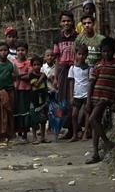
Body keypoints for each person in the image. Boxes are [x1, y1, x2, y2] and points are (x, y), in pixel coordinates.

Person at [85, 37, 115, 164]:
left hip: (107, 98)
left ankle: (106, 142)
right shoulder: (98, 65)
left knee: (92, 120)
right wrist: (88, 101)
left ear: (113, 51)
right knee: (95, 124)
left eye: (109, 51)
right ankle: (96, 153)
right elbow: (91, 84)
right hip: (96, 97)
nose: (106, 54)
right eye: (104, 51)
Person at [52, 10, 77, 139]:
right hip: (62, 70)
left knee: (74, 98)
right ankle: (69, 129)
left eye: (68, 20)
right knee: (63, 100)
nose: (66, 23)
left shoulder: (77, 37)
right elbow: (57, 59)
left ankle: (76, 129)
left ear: (72, 22)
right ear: (60, 23)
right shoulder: (58, 38)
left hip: (75, 70)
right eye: (63, 21)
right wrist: (56, 77)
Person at [0, 43, 17, 145]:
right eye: (1, 50)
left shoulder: (12, 64)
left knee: (8, 112)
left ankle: (8, 133)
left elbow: (16, 76)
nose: (3, 52)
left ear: (8, 52)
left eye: (5, 50)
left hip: (9, 92)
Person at [67, 45, 91, 143]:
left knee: (87, 114)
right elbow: (71, 82)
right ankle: (75, 134)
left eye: (83, 54)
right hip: (77, 94)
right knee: (74, 115)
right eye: (79, 54)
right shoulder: (72, 68)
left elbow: (90, 82)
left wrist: (89, 96)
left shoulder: (89, 69)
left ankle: (85, 133)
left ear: (86, 55)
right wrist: (71, 96)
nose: (81, 56)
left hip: (86, 94)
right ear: (76, 55)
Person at [12, 41, 32, 143]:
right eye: (18, 50)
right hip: (15, 90)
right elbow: (11, 75)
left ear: (26, 51)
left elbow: (29, 76)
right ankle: (17, 133)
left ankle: (24, 133)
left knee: (25, 111)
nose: (20, 52)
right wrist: (22, 75)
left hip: (26, 90)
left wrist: (18, 76)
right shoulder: (13, 62)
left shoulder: (29, 63)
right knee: (16, 111)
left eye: (23, 50)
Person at [29, 55, 49, 144]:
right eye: (35, 65)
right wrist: (42, 76)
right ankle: (34, 137)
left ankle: (43, 137)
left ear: (41, 65)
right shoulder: (31, 75)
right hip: (34, 100)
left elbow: (46, 86)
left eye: (38, 64)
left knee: (43, 119)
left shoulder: (43, 76)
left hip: (43, 100)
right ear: (32, 66)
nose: (37, 66)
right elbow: (36, 84)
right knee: (34, 119)